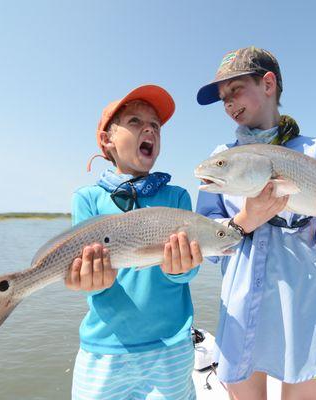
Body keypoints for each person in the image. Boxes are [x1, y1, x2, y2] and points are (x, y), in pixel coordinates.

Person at [196, 47, 316, 400]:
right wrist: (244, 220)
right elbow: (208, 245)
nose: (229, 104)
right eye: (223, 99)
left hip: (306, 315)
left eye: (235, 90)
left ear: (268, 84)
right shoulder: (220, 160)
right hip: (240, 312)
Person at [66, 85, 201, 400]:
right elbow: (90, 281)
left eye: (155, 125)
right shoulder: (87, 198)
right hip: (106, 349)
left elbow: (188, 272)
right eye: (135, 121)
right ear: (107, 140)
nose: (149, 129)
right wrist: (89, 281)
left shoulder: (177, 197)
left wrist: (182, 269)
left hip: (171, 346)